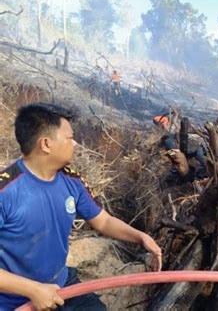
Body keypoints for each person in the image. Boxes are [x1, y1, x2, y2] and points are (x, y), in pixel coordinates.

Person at [0, 103, 163, 310]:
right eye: (69, 138)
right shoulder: (5, 191)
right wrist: (33, 290)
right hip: (15, 300)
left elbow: (103, 221)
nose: (75, 143)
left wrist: (140, 237)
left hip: (62, 285)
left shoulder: (72, 181)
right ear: (46, 144)